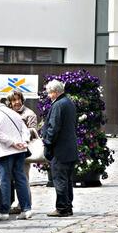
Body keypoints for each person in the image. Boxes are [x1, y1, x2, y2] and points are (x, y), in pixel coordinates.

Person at [0, 92, 32, 220]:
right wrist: (23, 142)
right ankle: (26, 209)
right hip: (20, 150)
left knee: (4, 180)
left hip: (5, 151)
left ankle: (4, 211)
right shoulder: (12, 112)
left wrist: (13, 143)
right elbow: (25, 130)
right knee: (20, 179)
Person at [41, 80, 79, 217]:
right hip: (70, 148)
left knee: (60, 179)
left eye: (49, 93)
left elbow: (53, 127)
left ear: (55, 92)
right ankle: (68, 206)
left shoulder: (58, 105)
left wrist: (48, 143)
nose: (49, 96)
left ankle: (62, 208)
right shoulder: (69, 103)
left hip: (60, 149)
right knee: (67, 180)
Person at [8, 90, 38, 213]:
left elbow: (34, 132)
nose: (17, 102)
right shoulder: (8, 113)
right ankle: (18, 203)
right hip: (11, 150)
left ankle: (25, 205)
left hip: (24, 151)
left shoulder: (29, 114)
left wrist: (21, 131)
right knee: (13, 178)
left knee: (23, 178)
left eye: (18, 99)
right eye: (14, 100)